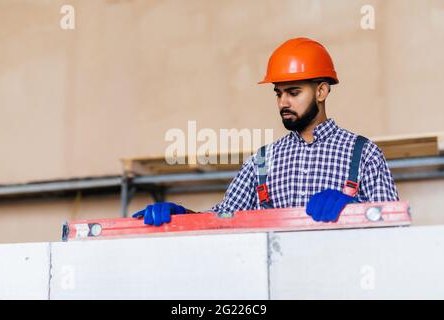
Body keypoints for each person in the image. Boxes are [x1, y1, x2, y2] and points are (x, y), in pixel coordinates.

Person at [133, 37, 399, 226]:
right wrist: (182, 216)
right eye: (279, 93)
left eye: (294, 92)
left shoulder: (364, 154)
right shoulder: (262, 161)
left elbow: (393, 228)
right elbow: (224, 219)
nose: (283, 102)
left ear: (321, 91)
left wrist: (356, 210)